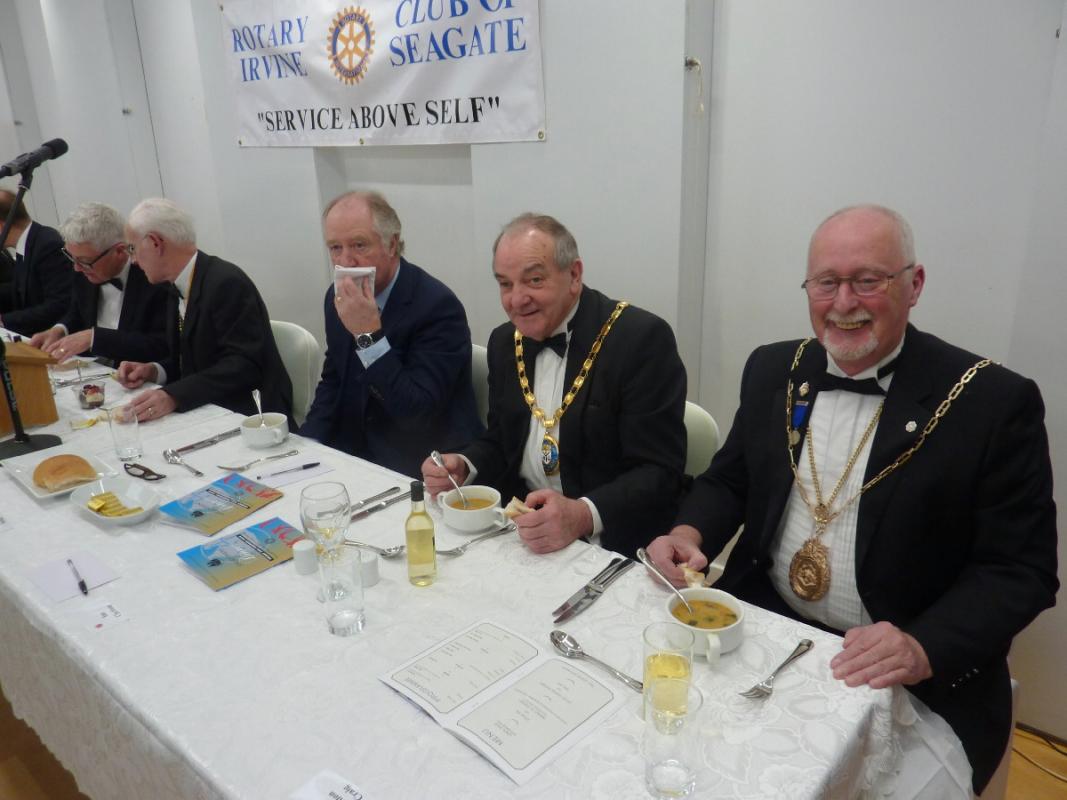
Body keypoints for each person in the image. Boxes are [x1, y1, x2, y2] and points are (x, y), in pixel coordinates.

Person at [646, 204, 1059, 794]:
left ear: (914, 284)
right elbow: (731, 479)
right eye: (826, 282)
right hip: (766, 630)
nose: (843, 303)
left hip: (908, 680)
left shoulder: (992, 403)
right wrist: (689, 532)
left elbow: (1021, 570)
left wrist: (922, 645)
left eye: (868, 280)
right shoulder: (774, 367)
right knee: (669, 750)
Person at [423, 213, 687, 558]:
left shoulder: (640, 340)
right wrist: (465, 464)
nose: (517, 300)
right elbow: (502, 441)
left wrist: (582, 514)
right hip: (521, 531)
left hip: (609, 543)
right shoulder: (505, 342)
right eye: (505, 284)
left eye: (533, 280)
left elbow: (659, 472)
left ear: (574, 275)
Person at [301, 191, 482, 477]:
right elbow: (334, 382)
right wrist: (305, 446)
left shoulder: (437, 306)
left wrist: (368, 336)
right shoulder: (338, 297)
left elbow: (416, 413)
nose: (346, 261)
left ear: (392, 244)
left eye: (359, 245)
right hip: (354, 455)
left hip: (422, 465)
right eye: (335, 248)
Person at [115, 198, 293, 423]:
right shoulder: (176, 285)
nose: (132, 261)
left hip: (252, 415)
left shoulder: (226, 283)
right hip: (209, 405)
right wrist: (154, 370)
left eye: (132, 248)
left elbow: (243, 365)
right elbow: (193, 361)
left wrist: (173, 395)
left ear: (155, 242)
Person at [28, 202, 170, 365]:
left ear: (120, 251)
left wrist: (95, 338)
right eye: (72, 258)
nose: (76, 268)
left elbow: (161, 344)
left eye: (84, 261)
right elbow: (77, 312)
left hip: (133, 371)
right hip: (93, 366)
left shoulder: (153, 277)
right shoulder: (85, 268)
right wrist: (60, 329)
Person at [0, 189, 72, 335]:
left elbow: (58, 305)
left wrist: (3, 320)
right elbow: (20, 290)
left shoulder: (48, 245)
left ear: (1, 226)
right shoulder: (28, 243)